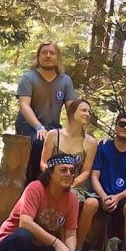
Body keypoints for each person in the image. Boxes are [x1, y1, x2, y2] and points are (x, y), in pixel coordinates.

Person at [0, 153, 88, 251]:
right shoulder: (35, 188)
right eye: (63, 170)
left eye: (72, 171)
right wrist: (56, 243)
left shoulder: (72, 198)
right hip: (11, 243)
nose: (69, 174)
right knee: (23, 236)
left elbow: (70, 234)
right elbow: (25, 223)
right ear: (50, 173)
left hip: (40, 247)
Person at [40, 99, 98, 250]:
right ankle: (55, 245)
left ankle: (77, 249)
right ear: (72, 113)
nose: (87, 114)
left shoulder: (91, 142)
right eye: (83, 110)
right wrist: (54, 179)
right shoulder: (54, 135)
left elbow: (86, 171)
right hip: (52, 182)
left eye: (89, 111)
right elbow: (44, 163)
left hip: (76, 185)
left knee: (91, 203)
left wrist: (70, 184)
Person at [15, 41, 77, 181]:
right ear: (38, 57)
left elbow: (72, 108)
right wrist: (39, 127)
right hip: (28, 125)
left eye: (52, 53)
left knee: (64, 144)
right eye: (44, 52)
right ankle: (35, 184)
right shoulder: (28, 78)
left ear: (57, 57)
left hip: (52, 126)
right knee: (40, 142)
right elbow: (24, 106)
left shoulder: (65, 81)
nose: (48, 55)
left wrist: (76, 130)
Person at [89, 112, 126, 243]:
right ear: (115, 127)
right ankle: (78, 249)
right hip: (101, 194)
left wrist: (117, 197)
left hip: (123, 198)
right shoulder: (103, 148)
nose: (125, 127)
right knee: (89, 203)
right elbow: (94, 176)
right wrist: (104, 197)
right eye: (122, 124)